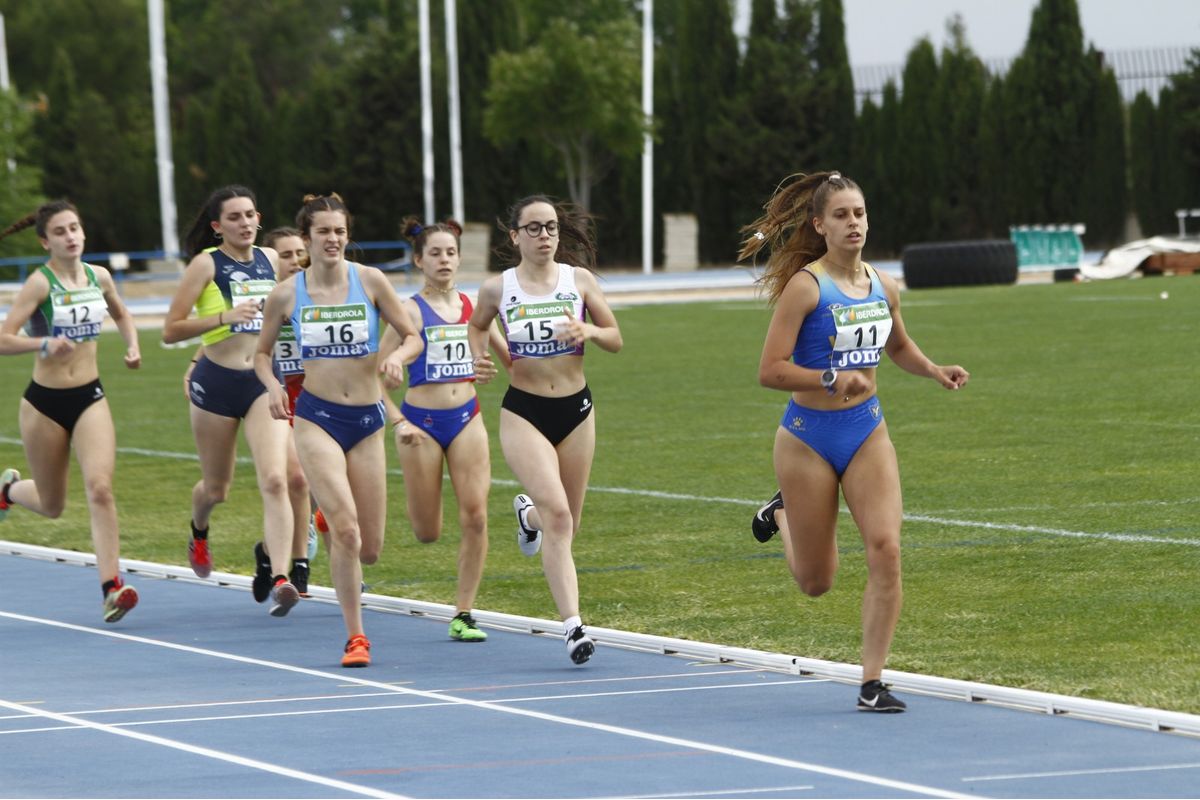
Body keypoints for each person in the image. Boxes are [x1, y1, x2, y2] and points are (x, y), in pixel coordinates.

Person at [740, 171, 970, 713]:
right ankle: (781, 517)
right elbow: (770, 371)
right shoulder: (806, 287)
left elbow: (898, 346)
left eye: (860, 214)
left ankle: (872, 682)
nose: (854, 224)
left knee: (887, 549)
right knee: (817, 582)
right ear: (819, 225)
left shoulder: (883, 285)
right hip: (807, 440)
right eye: (841, 216)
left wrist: (934, 369)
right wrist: (828, 378)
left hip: (866, 430)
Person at [255, 193, 422, 668]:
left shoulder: (370, 281)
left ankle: (325, 515)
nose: (333, 239)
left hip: (367, 421)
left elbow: (412, 336)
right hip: (316, 418)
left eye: (340, 231)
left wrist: (395, 357)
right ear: (307, 237)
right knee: (348, 534)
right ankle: (356, 637)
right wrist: (270, 386)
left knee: (369, 549)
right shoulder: (287, 294)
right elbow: (262, 354)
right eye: (323, 231)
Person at [467, 195, 622, 665]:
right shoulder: (498, 288)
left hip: (576, 410)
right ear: (515, 236)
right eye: (533, 228)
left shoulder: (580, 281)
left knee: (565, 520)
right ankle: (573, 627)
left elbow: (615, 338)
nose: (544, 236)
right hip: (524, 412)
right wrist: (479, 356)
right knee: (559, 516)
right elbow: (476, 325)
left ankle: (525, 516)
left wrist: (589, 333)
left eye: (550, 227)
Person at [0, 200, 141, 622]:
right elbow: (3, 338)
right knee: (52, 504)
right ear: (46, 241)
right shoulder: (40, 285)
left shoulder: (99, 276)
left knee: (100, 488)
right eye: (60, 231)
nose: (71, 236)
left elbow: (121, 312)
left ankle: (112, 587)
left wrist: (132, 344)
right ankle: (8, 491)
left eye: (75, 228)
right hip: (44, 403)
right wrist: (42, 343)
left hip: (89, 397)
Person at [162, 185, 299, 617]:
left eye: (250, 215)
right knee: (216, 489)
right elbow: (171, 328)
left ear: (260, 220)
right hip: (216, 384)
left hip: (263, 380)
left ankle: (281, 577)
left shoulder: (273, 261)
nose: (245, 223)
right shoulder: (205, 264)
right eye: (235, 217)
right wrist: (224, 317)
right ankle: (198, 530)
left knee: (275, 479)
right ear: (217, 226)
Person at [379, 217, 511, 643]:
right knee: (427, 531)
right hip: (422, 425)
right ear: (419, 260)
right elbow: (372, 378)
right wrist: (397, 420)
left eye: (450, 252)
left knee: (475, 516)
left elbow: (512, 361)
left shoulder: (476, 309)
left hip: (467, 418)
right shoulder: (410, 311)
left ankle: (464, 613)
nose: (444, 260)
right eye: (434, 253)